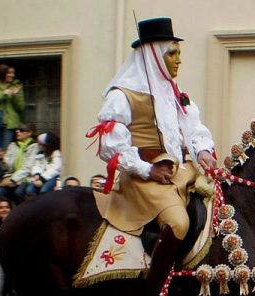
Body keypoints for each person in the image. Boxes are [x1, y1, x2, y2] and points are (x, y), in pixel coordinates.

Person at [90, 17, 217, 295]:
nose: (178, 60)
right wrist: (147, 169)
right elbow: (111, 145)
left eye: (179, 53)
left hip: (179, 172)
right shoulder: (123, 95)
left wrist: (203, 150)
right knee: (178, 223)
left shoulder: (174, 93)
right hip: (144, 178)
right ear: (153, 55)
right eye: (172, 53)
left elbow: (194, 127)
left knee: (219, 199)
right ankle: (156, 288)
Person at [0, 64, 25, 180]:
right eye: (9, 73)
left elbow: (21, 107)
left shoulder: (16, 85)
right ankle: (0, 177)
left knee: (6, 155)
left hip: (9, 125)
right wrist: (3, 94)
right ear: (2, 73)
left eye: (13, 73)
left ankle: (4, 178)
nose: (12, 75)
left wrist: (15, 95)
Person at [0, 123, 39, 204]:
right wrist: (2, 159)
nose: (17, 131)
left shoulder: (35, 147)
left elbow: (27, 168)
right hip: (11, 178)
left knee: (18, 193)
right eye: (17, 130)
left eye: (21, 130)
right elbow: (7, 168)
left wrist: (13, 180)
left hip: (26, 179)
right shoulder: (13, 145)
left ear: (29, 133)